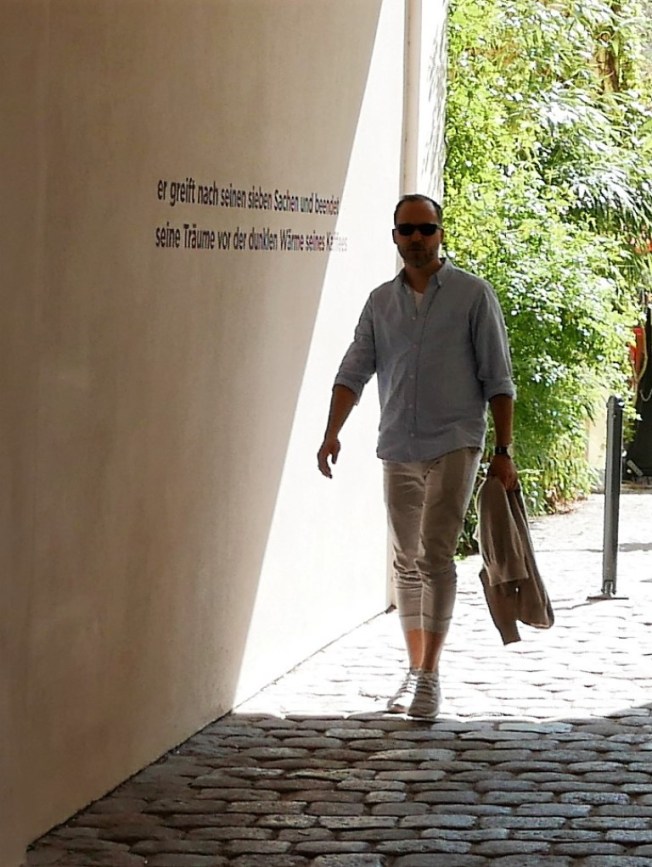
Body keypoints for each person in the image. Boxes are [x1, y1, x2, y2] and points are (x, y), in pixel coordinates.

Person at [317, 193, 518, 720]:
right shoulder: (381, 302)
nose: (417, 239)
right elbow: (353, 370)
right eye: (407, 230)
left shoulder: (473, 295)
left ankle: (430, 675)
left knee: (434, 554)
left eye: (426, 229)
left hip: (454, 440)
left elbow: (498, 378)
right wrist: (331, 432)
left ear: (440, 234)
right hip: (399, 445)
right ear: (395, 237)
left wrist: (503, 450)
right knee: (405, 560)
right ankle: (413, 667)